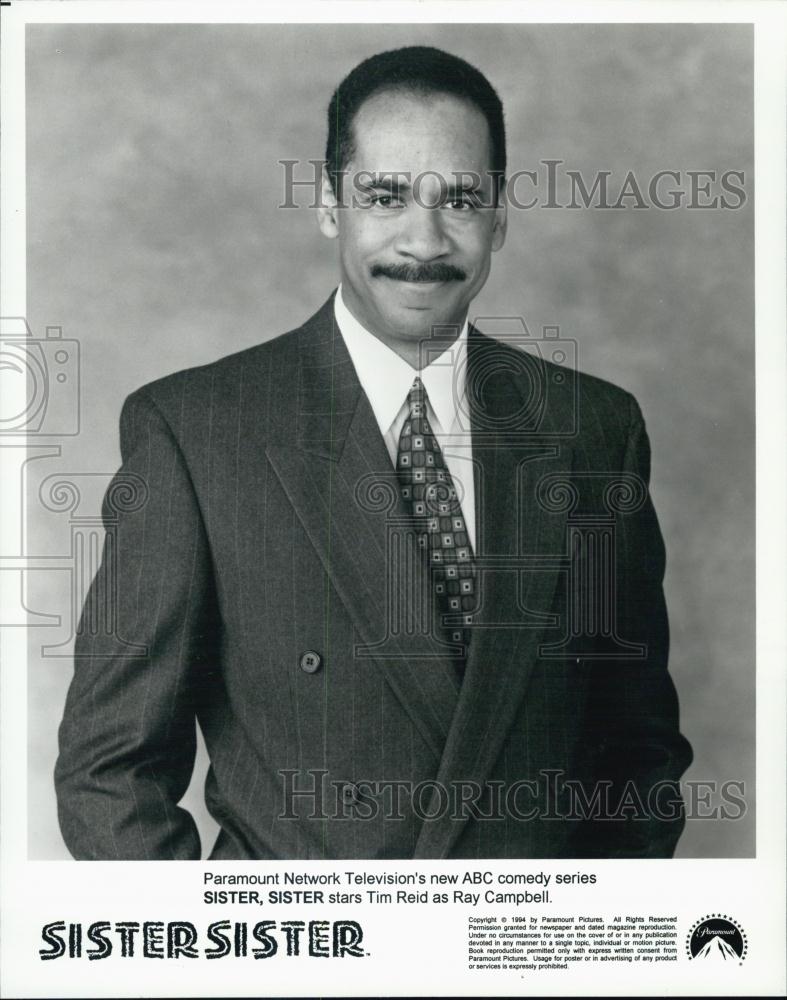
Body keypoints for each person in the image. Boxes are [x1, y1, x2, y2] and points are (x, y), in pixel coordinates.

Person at [55, 45, 692, 860]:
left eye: (459, 198)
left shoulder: (593, 431)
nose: (423, 241)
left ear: (501, 214)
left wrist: (572, 951)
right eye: (384, 195)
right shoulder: (197, 432)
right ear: (329, 205)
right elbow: (109, 774)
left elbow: (635, 756)